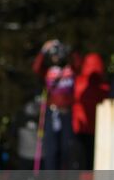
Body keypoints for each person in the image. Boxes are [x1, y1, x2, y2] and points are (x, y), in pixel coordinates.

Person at [33, 40, 77, 170]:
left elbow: (79, 64)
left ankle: (64, 172)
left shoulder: (70, 69)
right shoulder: (48, 71)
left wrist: (71, 50)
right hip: (52, 112)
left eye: (58, 55)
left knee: (66, 145)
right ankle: (50, 173)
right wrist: (43, 51)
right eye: (53, 55)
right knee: (51, 145)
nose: (55, 58)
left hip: (67, 112)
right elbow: (36, 68)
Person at [71, 50, 110, 170]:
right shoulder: (104, 87)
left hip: (80, 124)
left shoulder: (78, 82)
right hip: (97, 126)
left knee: (79, 152)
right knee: (92, 152)